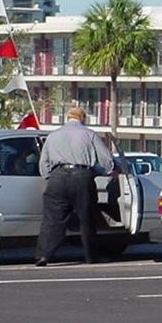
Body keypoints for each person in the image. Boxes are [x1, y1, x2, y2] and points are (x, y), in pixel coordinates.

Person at [34, 106, 114, 266]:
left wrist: (51, 176)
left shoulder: (53, 135)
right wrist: (107, 170)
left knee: (52, 219)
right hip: (82, 176)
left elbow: (44, 163)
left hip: (57, 177)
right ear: (82, 118)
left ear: (67, 117)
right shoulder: (89, 134)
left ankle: (43, 256)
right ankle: (91, 256)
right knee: (87, 218)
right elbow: (106, 160)